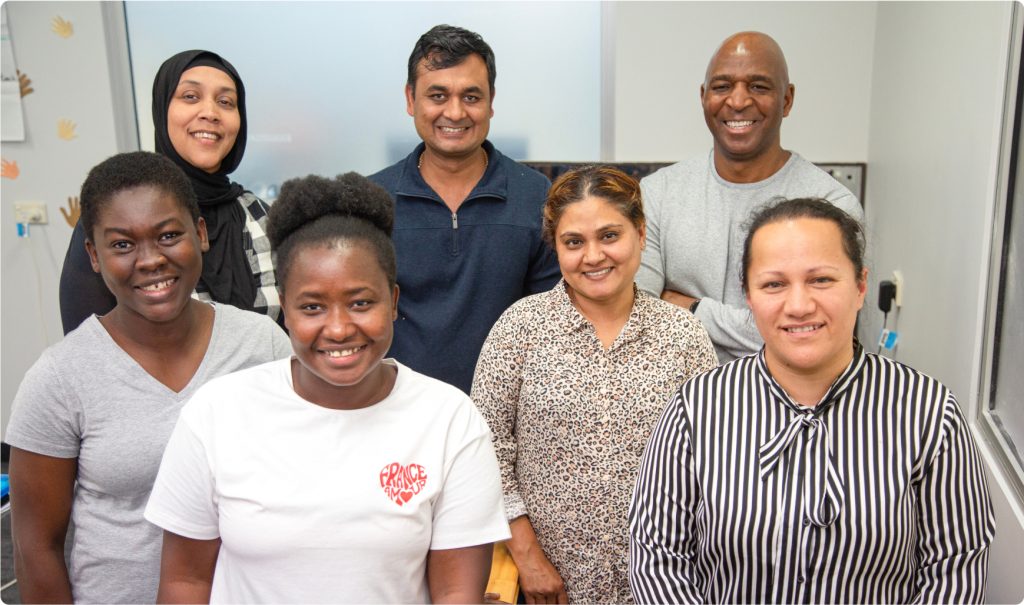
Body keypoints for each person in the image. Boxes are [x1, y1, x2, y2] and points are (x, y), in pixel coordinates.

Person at [144, 172, 510, 603]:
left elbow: (456, 594)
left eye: (360, 303)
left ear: (393, 302)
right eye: (313, 307)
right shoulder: (217, 413)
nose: (338, 329)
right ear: (285, 308)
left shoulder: (449, 420)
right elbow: (185, 583)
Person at [629, 198, 995, 604]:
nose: (799, 306)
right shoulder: (698, 407)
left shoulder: (929, 413)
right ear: (748, 295)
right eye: (774, 284)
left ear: (860, 287)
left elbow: (955, 564)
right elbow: (658, 555)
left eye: (821, 279)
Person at [6, 151, 291, 604]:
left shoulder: (263, 345)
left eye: (169, 235)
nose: (151, 259)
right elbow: (35, 548)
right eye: (122, 245)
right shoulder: (59, 379)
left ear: (200, 234)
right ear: (94, 256)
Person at [472, 166, 718, 604]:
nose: (593, 256)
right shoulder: (519, 328)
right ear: (555, 247)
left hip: (663, 582)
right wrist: (528, 558)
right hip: (549, 585)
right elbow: (486, 452)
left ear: (640, 234)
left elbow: (712, 459)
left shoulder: (682, 334)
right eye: (574, 242)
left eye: (609, 236)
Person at [636, 31, 863, 364]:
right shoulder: (657, 194)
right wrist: (755, 326)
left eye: (758, 86)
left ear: (787, 100)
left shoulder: (832, 205)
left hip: (788, 396)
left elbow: (820, 329)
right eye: (722, 87)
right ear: (703, 97)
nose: (738, 101)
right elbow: (639, 318)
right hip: (683, 392)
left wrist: (694, 308)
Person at [369, 24, 560, 394]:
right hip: (395, 408)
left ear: (491, 102)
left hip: (506, 410)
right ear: (410, 99)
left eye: (471, 97)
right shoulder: (370, 201)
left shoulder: (536, 196)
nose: (455, 113)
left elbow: (551, 325)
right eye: (437, 95)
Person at [60, 49, 280, 334]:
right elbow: (87, 344)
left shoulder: (259, 215)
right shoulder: (116, 219)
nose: (210, 113)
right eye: (190, 97)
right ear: (162, 109)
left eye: (226, 102)